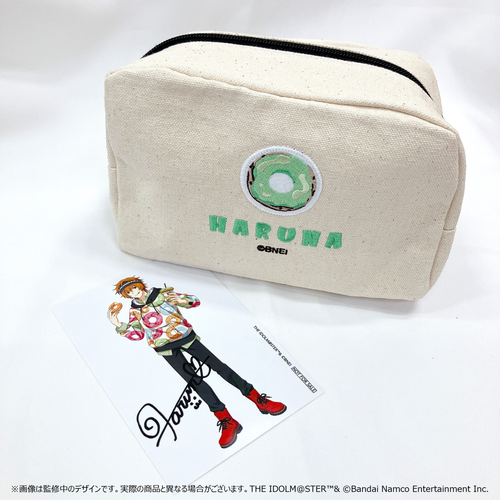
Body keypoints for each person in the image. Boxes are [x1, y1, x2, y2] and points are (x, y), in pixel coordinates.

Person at [107, 276, 286, 448]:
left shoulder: (162, 293)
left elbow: (195, 301)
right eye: (128, 292)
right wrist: (118, 324)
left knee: (219, 367)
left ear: (140, 285)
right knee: (195, 382)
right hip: (164, 347)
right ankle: (226, 420)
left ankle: (257, 398)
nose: (133, 292)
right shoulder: (134, 310)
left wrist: (180, 300)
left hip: (186, 338)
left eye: (134, 288)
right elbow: (137, 334)